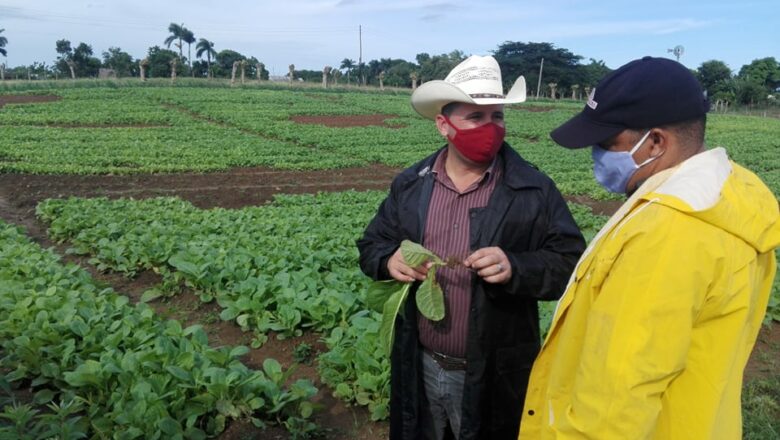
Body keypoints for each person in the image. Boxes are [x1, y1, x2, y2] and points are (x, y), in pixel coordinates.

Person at [519, 56, 780, 439]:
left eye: (607, 143)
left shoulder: (668, 234)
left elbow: (613, 407)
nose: (597, 155)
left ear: (656, 141)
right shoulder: (730, 198)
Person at [357, 55, 586, 440]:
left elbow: (570, 263)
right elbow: (371, 243)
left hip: (495, 370)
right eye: (475, 118)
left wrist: (516, 266)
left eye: (497, 117)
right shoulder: (411, 185)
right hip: (422, 362)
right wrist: (388, 260)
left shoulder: (533, 188)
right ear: (443, 126)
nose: (491, 128)